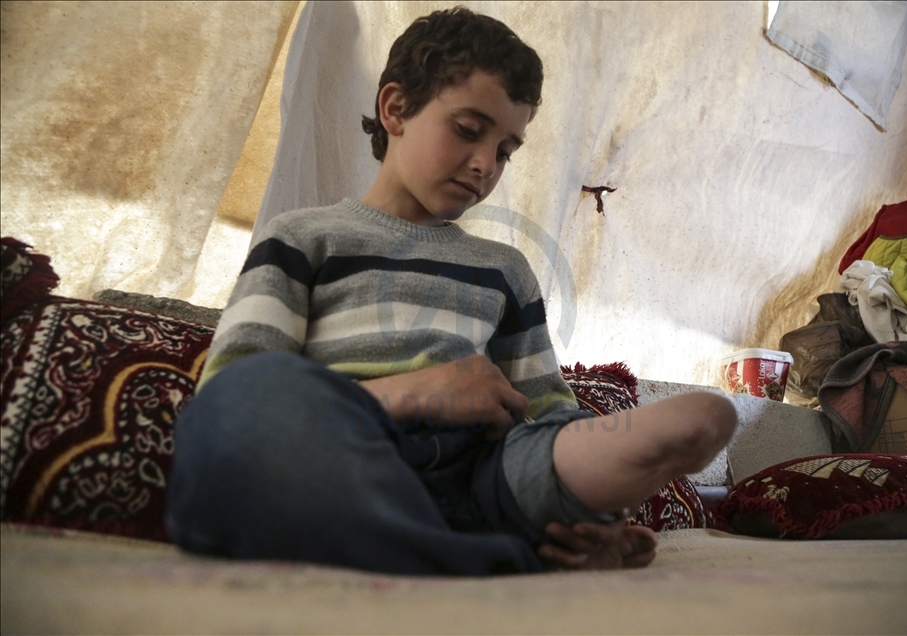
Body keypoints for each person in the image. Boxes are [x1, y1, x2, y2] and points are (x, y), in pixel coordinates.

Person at [165, 6, 736, 576]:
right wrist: (412, 392)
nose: (486, 164)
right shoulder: (302, 238)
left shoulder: (504, 268)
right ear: (395, 109)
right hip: (344, 455)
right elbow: (232, 389)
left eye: (506, 150)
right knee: (239, 405)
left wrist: (596, 510)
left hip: (486, 477)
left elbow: (548, 413)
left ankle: (490, 547)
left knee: (704, 418)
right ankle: (490, 558)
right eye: (467, 130)